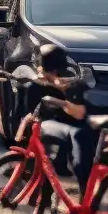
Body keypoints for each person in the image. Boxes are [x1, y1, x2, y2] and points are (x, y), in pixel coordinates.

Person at [33, 43, 98, 193]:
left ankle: (85, 197)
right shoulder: (44, 83)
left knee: (79, 147)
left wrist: (59, 101)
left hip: (83, 128)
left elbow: (79, 113)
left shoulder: (73, 85)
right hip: (66, 126)